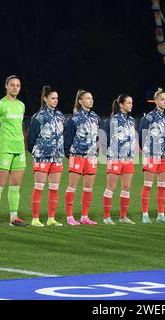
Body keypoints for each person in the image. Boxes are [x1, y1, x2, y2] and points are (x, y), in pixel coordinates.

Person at [0, 75, 28, 228]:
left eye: (18, 85)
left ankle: (13, 218)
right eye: (12, 85)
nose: (15, 87)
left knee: (16, 185)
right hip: (3, 148)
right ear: (6, 86)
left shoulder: (21, 105)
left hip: (19, 148)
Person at [26, 86, 65, 227]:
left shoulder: (60, 116)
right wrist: (38, 152)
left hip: (57, 158)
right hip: (42, 157)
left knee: (54, 188)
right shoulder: (39, 116)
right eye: (53, 98)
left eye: (57, 99)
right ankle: (35, 219)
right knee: (39, 188)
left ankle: (51, 218)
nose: (55, 101)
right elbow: (30, 139)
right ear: (45, 99)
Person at [64, 89, 100, 226]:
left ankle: (85, 216)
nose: (91, 100)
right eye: (88, 98)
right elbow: (67, 139)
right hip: (77, 156)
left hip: (91, 157)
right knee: (72, 186)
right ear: (80, 101)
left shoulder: (95, 117)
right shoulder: (74, 119)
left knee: (88, 188)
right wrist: (70, 155)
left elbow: (95, 137)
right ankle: (69, 217)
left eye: (91, 98)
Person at [138, 88, 165, 223]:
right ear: (156, 101)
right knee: (147, 185)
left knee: (162, 186)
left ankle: (161, 215)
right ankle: (145, 215)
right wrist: (148, 151)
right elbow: (142, 137)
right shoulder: (148, 118)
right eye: (162, 99)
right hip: (151, 155)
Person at [101, 94, 137, 225]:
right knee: (111, 186)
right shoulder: (112, 120)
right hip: (115, 158)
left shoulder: (132, 120)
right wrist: (109, 155)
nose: (131, 105)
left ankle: (123, 217)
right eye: (128, 103)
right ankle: (106, 217)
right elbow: (105, 139)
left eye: (131, 103)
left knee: (126, 187)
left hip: (128, 159)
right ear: (121, 104)